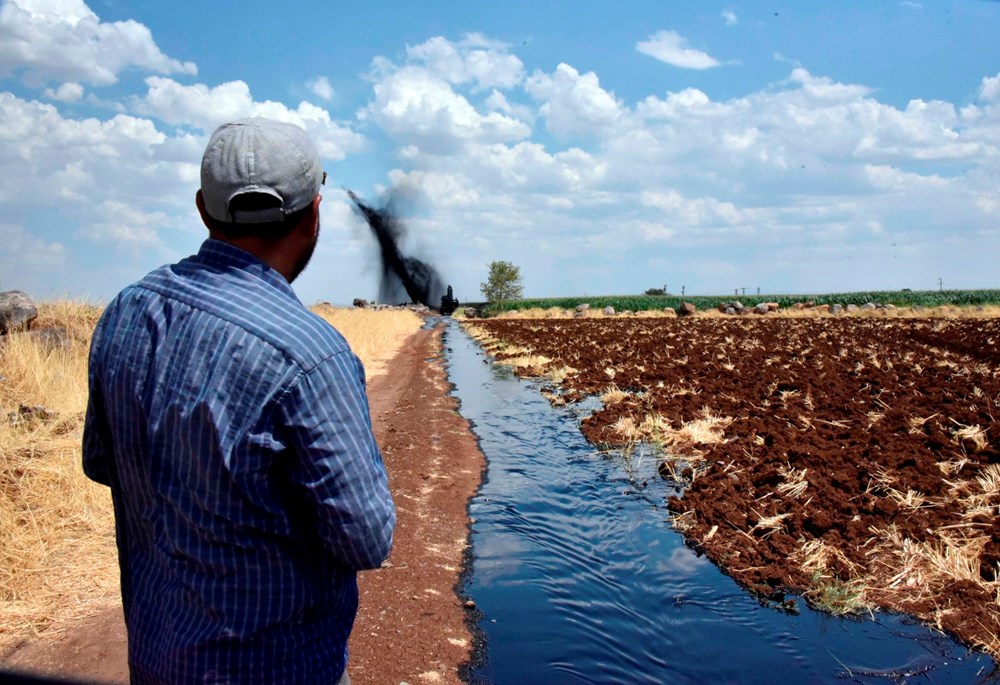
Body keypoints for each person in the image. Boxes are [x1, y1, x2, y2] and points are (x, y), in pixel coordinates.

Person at [83, 118, 396, 685]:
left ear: (203, 209)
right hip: (280, 668)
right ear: (314, 212)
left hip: (156, 661)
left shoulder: (126, 311)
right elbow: (366, 538)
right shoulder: (311, 354)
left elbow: (102, 464)